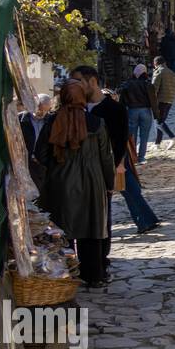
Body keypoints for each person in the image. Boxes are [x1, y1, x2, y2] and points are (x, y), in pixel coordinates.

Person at [37, 81, 115, 287]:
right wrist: (109, 183)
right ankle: (93, 275)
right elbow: (106, 157)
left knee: (63, 231)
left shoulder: (52, 122)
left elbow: (40, 154)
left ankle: (65, 275)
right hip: (92, 182)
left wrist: (55, 166)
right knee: (91, 230)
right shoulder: (96, 123)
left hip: (60, 182)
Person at [71, 66, 160, 236]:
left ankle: (139, 222)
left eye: (78, 81)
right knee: (125, 192)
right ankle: (145, 220)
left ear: (92, 82)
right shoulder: (78, 108)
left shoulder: (114, 109)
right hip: (89, 163)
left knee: (125, 191)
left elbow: (121, 138)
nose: (75, 86)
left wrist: (119, 163)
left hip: (113, 159)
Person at [119, 64, 157, 163]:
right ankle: (141, 158)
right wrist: (157, 114)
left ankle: (132, 157)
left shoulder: (127, 84)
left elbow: (122, 100)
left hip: (132, 111)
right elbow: (153, 101)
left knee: (132, 135)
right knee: (144, 136)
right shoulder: (148, 84)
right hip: (146, 111)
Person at [20, 93, 53, 190]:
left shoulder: (50, 121)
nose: (42, 113)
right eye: (40, 109)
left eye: (45, 111)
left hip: (40, 164)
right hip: (23, 162)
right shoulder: (20, 119)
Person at [151, 56, 175, 148]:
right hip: (169, 99)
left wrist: (151, 99)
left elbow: (154, 88)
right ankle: (157, 143)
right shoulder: (172, 72)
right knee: (160, 121)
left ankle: (172, 137)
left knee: (158, 122)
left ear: (156, 63)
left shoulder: (159, 71)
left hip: (160, 100)